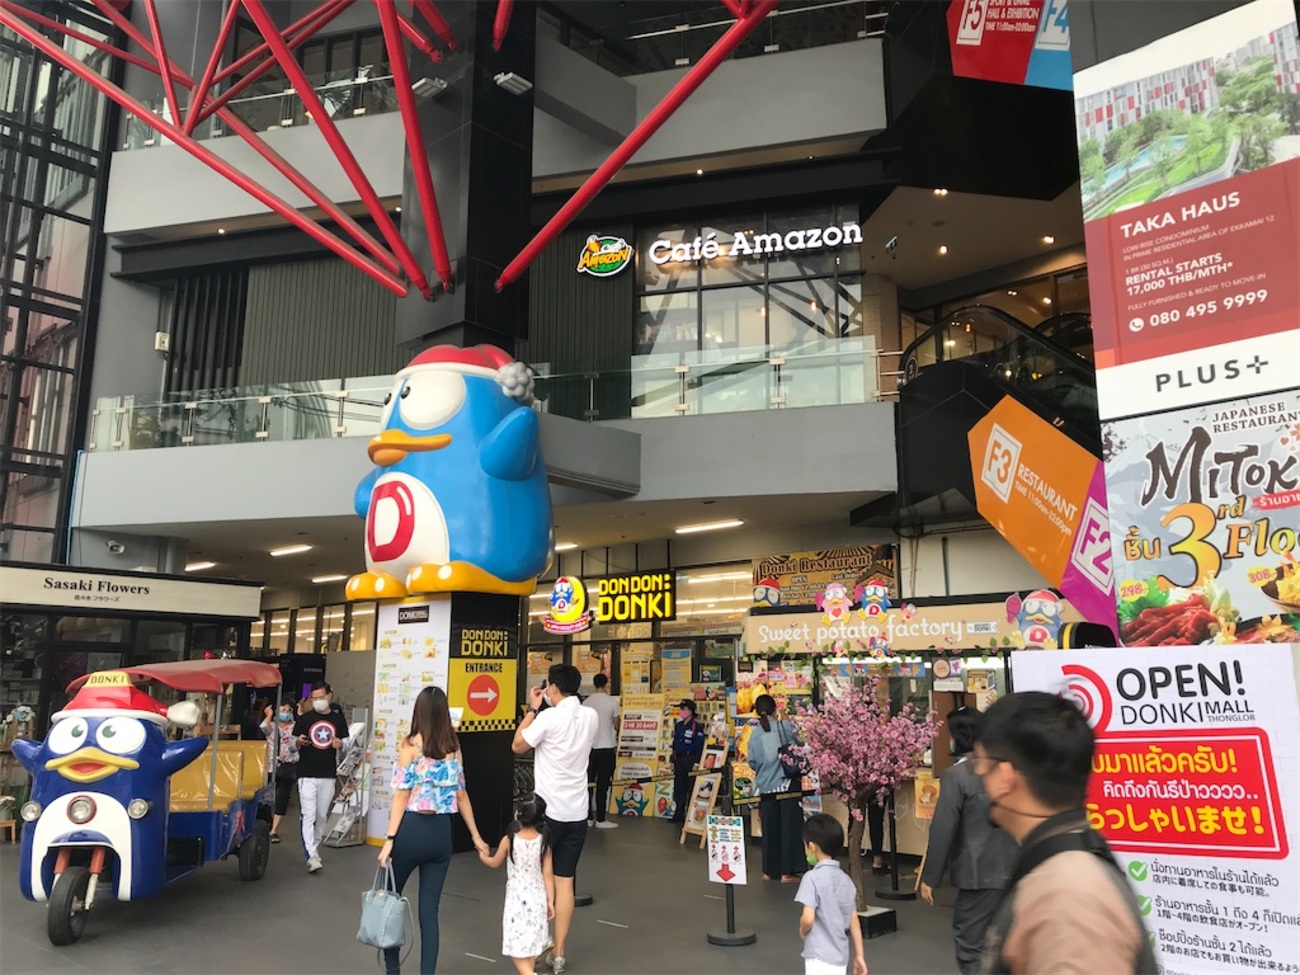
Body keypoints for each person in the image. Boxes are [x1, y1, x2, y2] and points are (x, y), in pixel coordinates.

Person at [974, 692, 1157, 974]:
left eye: (981, 763)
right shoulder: (1066, 864)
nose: (978, 774)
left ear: (1005, 777)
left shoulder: (1068, 899)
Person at [378, 686, 489, 975]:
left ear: (419, 712)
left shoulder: (409, 746)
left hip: (410, 832)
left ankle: (393, 970)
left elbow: (401, 796)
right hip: (441, 834)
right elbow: (461, 795)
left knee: (390, 903)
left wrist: (389, 839)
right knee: (429, 913)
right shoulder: (454, 748)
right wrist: (476, 837)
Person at [512, 664, 597, 975]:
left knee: (536, 880)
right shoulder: (590, 716)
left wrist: (532, 710)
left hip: (547, 814)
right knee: (565, 881)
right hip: (577, 811)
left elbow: (517, 745)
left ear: (552, 688)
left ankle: (535, 946)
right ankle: (559, 953)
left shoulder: (548, 717)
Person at [919, 707, 1018, 974]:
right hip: (1013, 870)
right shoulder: (1009, 768)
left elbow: (943, 828)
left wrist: (931, 877)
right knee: (1008, 944)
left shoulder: (957, 776)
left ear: (958, 736)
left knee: (972, 946)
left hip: (976, 874)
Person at [479, 795, 556, 975]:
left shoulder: (509, 840)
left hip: (516, 900)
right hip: (537, 898)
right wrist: (550, 901)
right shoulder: (543, 843)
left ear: (517, 815)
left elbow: (494, 863)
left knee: (516, 946)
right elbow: (548, 874)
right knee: (530, 946)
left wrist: (482, 855)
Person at [796, 813, 868, 975]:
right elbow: (853, 920)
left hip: (818, 954)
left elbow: (808, 918)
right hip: (840, 957)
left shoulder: (811, 878)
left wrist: (802, 930)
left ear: (812, 847)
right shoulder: (846, 880)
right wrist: (859, 955)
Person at [746, 694, 805, 882]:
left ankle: (770, 871)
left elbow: (752, 761)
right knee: (790, 827)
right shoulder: (785, 727)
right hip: (787, 783)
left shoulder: (754, 734)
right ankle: (788, 871)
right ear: (775, 709)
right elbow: (801, 745)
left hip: (766, 786)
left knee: (770, 828)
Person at [293, 681, 349, 873]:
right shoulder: (304, 719)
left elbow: (347, 744)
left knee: (321, 815)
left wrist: (341, 745)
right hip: (306, 774)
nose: (318, 701)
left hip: (328, 774)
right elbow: (291, 745)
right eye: (314, 698)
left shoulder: (338, 719)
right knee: (308, 814)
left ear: (329, 696)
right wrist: (297, 742)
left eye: (321, 697)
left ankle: (314, 849)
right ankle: (311, 854)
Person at [581, 673, 620, 829]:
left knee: (588, 784)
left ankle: (588, 817)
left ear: (594, 684)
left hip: (589, 749)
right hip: (607, 748)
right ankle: (601, 819)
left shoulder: (586, 703)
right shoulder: (612, 702)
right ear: (606, 684)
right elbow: (616, 725)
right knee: (603, 785)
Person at [260, 700, 299, 843]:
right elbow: (263, 727)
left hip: (288, 765)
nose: (286, 713)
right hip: (271, 765)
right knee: (266, 797)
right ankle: (267, 823)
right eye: (283, 710)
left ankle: (274, 830)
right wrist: (269, 714)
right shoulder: (271, 726)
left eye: (288, 710)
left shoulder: (295, 726)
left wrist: (300, 715)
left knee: (282, 797)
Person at [668, 699, 704, 824]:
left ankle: (691, 815)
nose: (682, 711)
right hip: (679, 759)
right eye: (681, 709)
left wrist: (696, 762)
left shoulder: (696, 726)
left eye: (684, 709)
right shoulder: (678, 725)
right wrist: (672, 760)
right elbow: (675, 744)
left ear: (691, 711)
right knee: (679, 787)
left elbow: (699, 746)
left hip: (690, 759)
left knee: (691, 787)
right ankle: (678, 814)